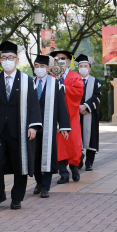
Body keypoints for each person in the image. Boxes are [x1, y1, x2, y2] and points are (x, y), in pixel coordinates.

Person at [0, 41, 42, 210]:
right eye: (4, 57)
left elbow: (34, 105)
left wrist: (33, 126)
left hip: (19, 130)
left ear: (17, 60)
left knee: (20, 164)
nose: (7, 60)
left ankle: (17, 197)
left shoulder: (27, 81)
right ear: (0, 61)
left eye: (10, 57)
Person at [32, 55, 71, 198]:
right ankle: (38, 181)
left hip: (49, 125)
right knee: (34, 156)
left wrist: (64, 126)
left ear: (48, 68)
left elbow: (61, 105)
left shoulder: (55, 84)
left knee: (47, 155)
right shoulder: (30, 83)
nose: (39, 69)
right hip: (33, 127)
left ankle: (45, 187)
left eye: (42, 66)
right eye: (36, 66)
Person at [49, 50, 84, 184]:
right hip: (56, 117)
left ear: (68, 60)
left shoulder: (75, 76)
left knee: (72, 143)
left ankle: (74, 169)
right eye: (56, 58)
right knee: (59, 145)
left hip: (71, 117)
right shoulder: (51, 77)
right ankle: (63, 173)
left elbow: (78, 93)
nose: (60, 60)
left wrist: (63, 88)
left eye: (63, 58)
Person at [76, 54, 102, 171]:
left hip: (90, 114)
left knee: (90, 137)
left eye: (85, 66)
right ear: (78, 68)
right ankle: (78, 159)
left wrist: (85, 106)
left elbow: (97, 96)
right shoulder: (74, 81)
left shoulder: (96, 82)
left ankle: (89, 162)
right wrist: (78, 107)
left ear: (89, 68)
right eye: (81, 66)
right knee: (77, 138)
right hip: (76, 114)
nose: (83, 68)